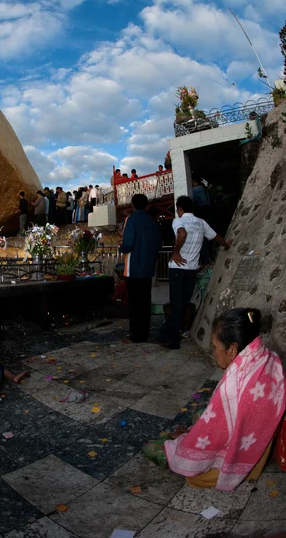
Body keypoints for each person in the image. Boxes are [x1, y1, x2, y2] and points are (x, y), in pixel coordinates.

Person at [144, 308, 286, 490]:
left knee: (154, 448)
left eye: (216, 347)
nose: (214, 353)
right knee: (202, 415)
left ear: (233, 350)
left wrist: (182, 440)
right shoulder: (267, 356)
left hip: (241, 454)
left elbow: (214, 434)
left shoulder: (232, 388)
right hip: (257, 440)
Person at [159, 195, 231, 349]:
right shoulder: (201, 222)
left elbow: (182, 234)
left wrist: (176, 252)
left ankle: (172, 341)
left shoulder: (178, 221)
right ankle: (164, 333)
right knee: (183, 304)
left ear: (179, 209)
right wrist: (226, 245)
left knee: (176, 305)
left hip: (177, 269)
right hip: (192, 270)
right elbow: (216, 237)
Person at [119, 193, 162, 342]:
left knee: (134, 304)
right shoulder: (152, 221)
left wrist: (121, 247)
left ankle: (135, 336)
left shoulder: (130, 220)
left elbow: (128, 245)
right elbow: (158, 244)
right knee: (144, 302)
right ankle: (144, 333)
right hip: (148, 267)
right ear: (146, 205)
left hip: (133, 268)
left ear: (132, 205)